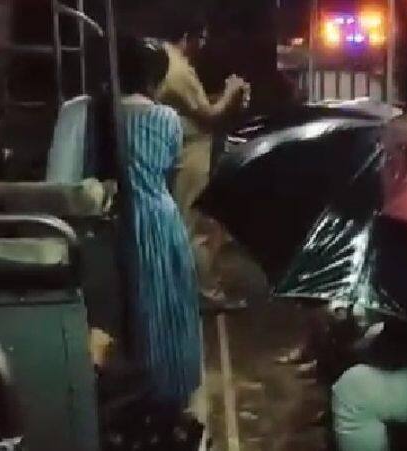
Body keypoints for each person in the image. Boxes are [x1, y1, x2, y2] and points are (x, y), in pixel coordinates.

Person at [116, 37, 201, 409]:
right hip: (161, 215)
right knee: (170, 303)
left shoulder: (107, 117)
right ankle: (172, 387)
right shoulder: (166, 119)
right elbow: (168, 175)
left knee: (135, 305)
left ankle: (138, 392)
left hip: (122, 216)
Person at [153, 14, 250, 306]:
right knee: (194, 225)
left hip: (184, 149)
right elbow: (209, 114)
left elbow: (196, 105)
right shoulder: (177, 68)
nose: (204, 44)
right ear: (187, 36)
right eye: (201, 37)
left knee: (194, 222)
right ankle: (205, 292)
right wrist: (232, 92)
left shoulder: (168, 63)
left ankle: (192, 287)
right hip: (190, 153)